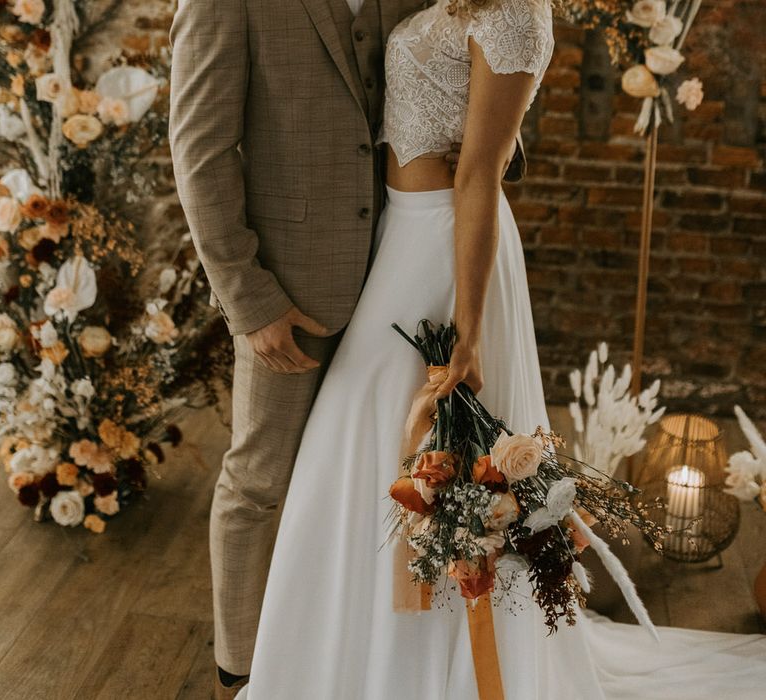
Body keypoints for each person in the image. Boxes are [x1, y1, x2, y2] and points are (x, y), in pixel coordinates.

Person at [233, 0, 766, 697]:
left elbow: (481, 169)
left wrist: (470, 329)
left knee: (408, 445)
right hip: (397, 237)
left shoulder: (519, 14)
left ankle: (418, 671)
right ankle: (344, 660)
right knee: (361, 447)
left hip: (443, 255)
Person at [167, 0, 528, 697]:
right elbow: (200, 152)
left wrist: (490, 141)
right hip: (293, 288)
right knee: (260, 480)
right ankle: (242, 672)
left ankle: (353, 655)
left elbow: (470, 66)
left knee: (376, 472)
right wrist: (250, 299)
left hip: (405, 266)